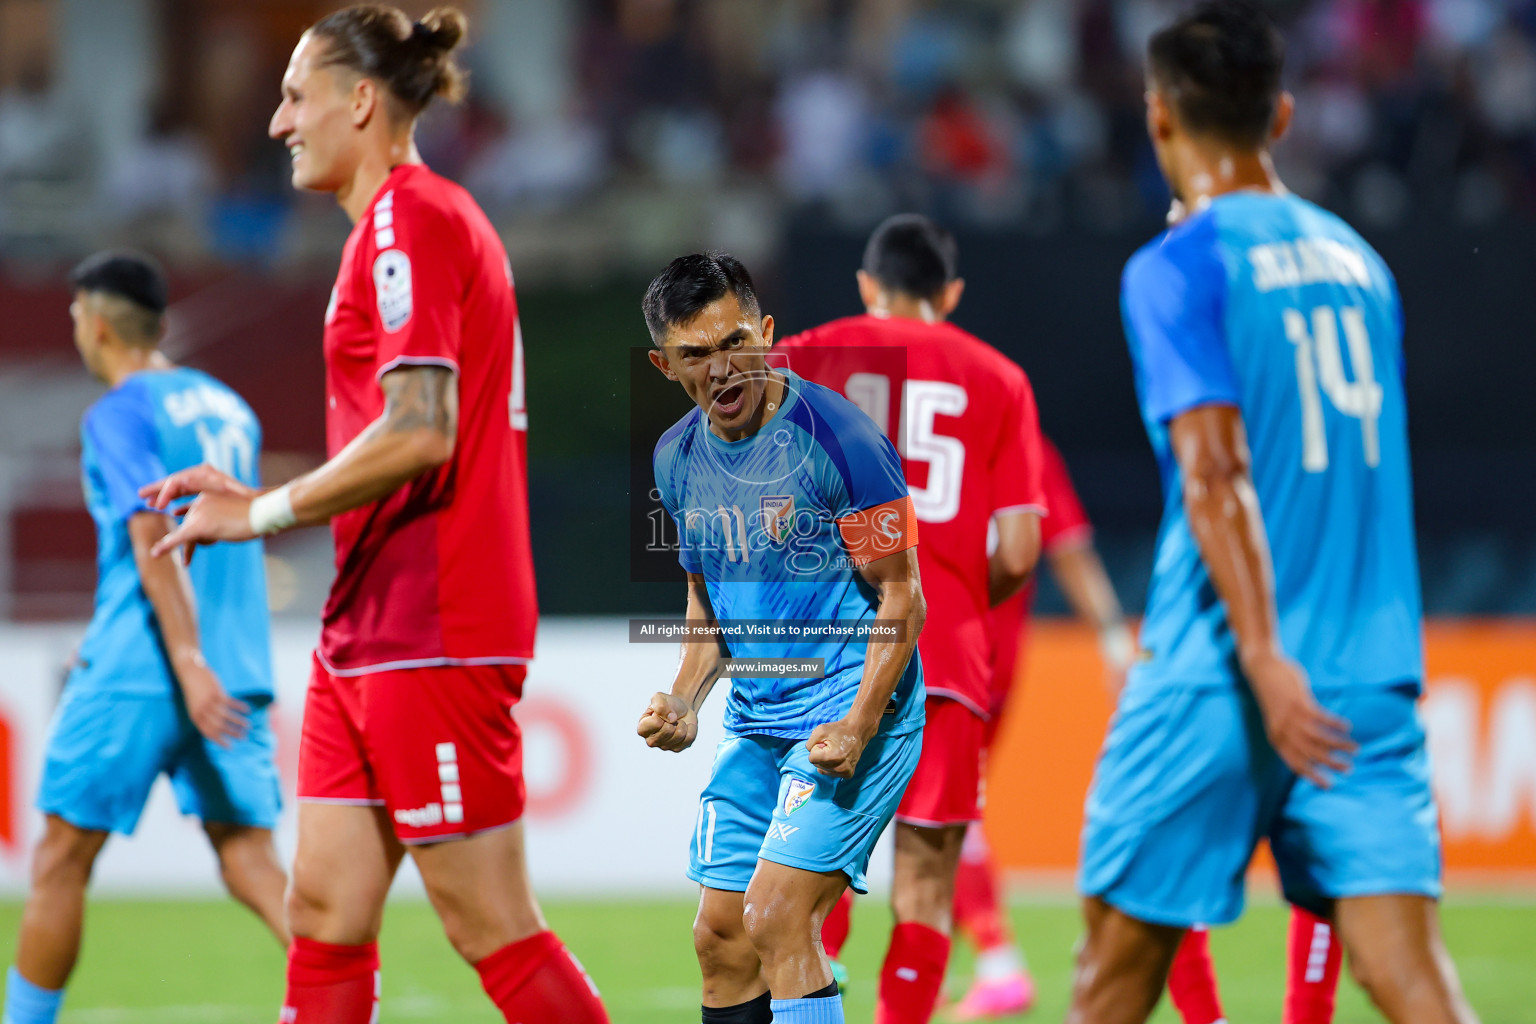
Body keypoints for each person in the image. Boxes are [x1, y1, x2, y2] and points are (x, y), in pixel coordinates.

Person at [139, 7, 608, 1022]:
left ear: (360, 101)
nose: (276, 123)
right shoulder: (393, 230)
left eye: (295, 97)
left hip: (432, 620)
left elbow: (422, 430)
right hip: (372, 620)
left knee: (488, 920)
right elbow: (395, 432)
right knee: (323, 907)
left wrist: (259, 512)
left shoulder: (410, 219)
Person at [1070, 3, 1477, 1024]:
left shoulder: (1176, 265)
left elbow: (1215, 472)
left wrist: (1260, 654)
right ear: (1282, 115)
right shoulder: (1360, 266)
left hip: (1225, 670)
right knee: (1411, 977)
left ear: (1159, 118)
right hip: (1368, 672)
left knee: (1111, 982)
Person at [638, 252, 927, 1024]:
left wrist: (859, 723)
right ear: (666, 366)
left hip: (857, 711)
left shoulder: (841, 440)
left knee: (775, 916)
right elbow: (707, 603)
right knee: (722, 940)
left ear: (767, 333)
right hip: (757, 724)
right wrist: (686, 698)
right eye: (696, 355)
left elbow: (902, 594)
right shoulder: (676, 458)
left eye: (735, 342)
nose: (723, 369)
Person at [773, 214, 1047, 1024]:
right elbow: (1024, 549)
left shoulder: (808, 353)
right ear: (950, 294)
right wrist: (958, 595)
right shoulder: (999, 378)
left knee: (803, 875)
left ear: (867, 285)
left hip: (831, 657)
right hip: (948, 659)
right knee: (926, 891)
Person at [2, 251, 287, 1024]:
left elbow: (150, 527)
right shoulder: (230, 408)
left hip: (145, 665)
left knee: (61, 860)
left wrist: (183, 662)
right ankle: (344, 997)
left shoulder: (119, 409)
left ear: (95, 324)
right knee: (251, 858)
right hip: (238, 666)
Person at [946, 435, 1133, 1020]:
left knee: (942, 805)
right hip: (1000, 659)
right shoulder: (1019, 441)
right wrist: (1109, 632)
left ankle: (998, 960)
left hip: (945, 656)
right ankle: (942, 955)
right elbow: (1069, 546)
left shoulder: (898, 431)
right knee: (948, 805)